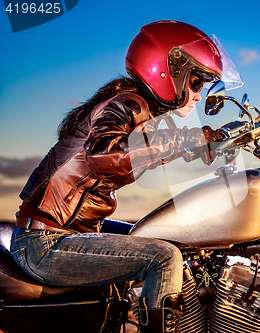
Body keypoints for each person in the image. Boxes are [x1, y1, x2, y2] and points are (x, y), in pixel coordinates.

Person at [10, 21, 239, 333]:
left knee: (165, 236)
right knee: (164, 257)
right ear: (168, 72)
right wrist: (187, 141)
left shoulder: (138, 107)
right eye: (197, 83)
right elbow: (105, 153)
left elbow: (155, 147)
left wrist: (211, 140)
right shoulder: (125, 104)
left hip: (68, 233)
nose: (199, 95)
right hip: (46, 243)